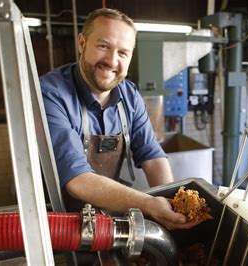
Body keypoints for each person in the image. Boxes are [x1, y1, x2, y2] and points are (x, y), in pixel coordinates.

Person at [40, 8, 198, 230]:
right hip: (58, 220)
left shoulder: (129, 94)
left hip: (106, 215)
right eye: (103, 46)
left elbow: (152, 157)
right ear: (82, 43)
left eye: (123, 53)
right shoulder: (50, 93)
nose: (112, 61)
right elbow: (77, 179)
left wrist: (174, 208)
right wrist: (149, 204)